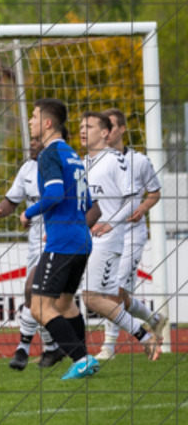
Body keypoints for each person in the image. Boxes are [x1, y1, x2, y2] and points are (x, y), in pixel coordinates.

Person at [20, 98, 97, 380]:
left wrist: (28, 212)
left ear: (47, 123)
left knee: (40, 306)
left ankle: (81, 359)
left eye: (34, 116)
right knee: (65, 304)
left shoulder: (49, 155)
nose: (30, 121)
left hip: (62, 241)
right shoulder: (72, 155)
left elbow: (53, 195)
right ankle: (84, 361)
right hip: (81, 239)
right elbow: (88, 203)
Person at [79, 112, 160, 361]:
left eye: (88, 126)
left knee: (97, 297)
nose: (82, 130)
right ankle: (151, 325)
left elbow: (137, 197)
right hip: (90, 237)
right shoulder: (84, 163)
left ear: (109, 131)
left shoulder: (122, 160)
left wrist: (112, 223)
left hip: (118, 237)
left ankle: (115, 345)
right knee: (102, 296)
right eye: (81, 126)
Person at [0, 137, 65, 370]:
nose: (31, 145)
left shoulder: (61, 167)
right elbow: (12, 200)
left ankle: (23, 349)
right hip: (35, 243)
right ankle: (52, 348)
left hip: (57, 239)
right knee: (39, 298)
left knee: (32, 290)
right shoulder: (28, 168)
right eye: (30, 141)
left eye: (37, 141)